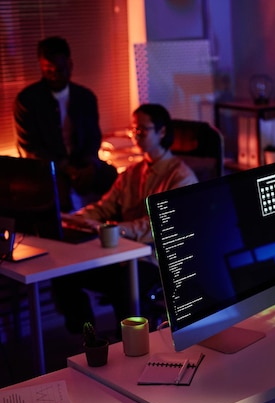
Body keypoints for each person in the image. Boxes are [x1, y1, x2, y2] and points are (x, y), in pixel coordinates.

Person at [51, 103, 198, 334]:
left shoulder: (181, 176)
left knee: (124, 287)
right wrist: (76, 219)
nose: (136, 135)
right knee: (63, 273)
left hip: (154, 261)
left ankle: (133, 345)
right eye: (133, 130)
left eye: (142, 130)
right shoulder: (132, 172)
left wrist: (114, 229)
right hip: (120, 254)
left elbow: (158, 225)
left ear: (161, 131)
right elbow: (105, 206)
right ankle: (88, 338)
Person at [13, 36, 117, 212]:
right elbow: (29, 147)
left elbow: (93, 137)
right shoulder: (27, 100)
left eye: (59, 70)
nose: (54, 76)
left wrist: (90, 164)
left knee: (112, 177)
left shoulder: (85, 97)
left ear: (69, 64)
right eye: (48, 71)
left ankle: (112, 228)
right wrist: (64, 168)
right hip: (47, 167)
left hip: (81, 162)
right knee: (56, 191)